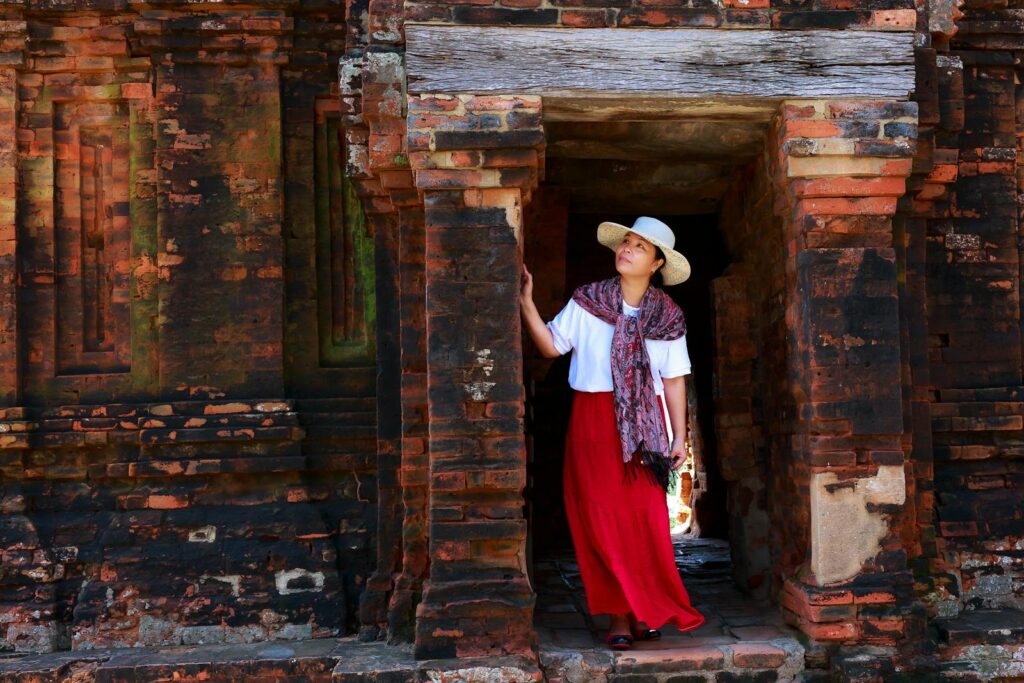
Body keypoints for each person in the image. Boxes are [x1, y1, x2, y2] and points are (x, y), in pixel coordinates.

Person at [520, 215, 706, 650]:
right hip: (593, 423)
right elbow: (550, 345)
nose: (627, 249)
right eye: (626, 242)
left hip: (645, 430)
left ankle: (646, 609)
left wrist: (680, 437)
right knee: (600, 521)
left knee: (645, 522)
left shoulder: (668, 316)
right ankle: (619, 616)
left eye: (640, 246)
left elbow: (675, 378)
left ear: (657, 263)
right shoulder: (588, 301)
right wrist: (527, 303)